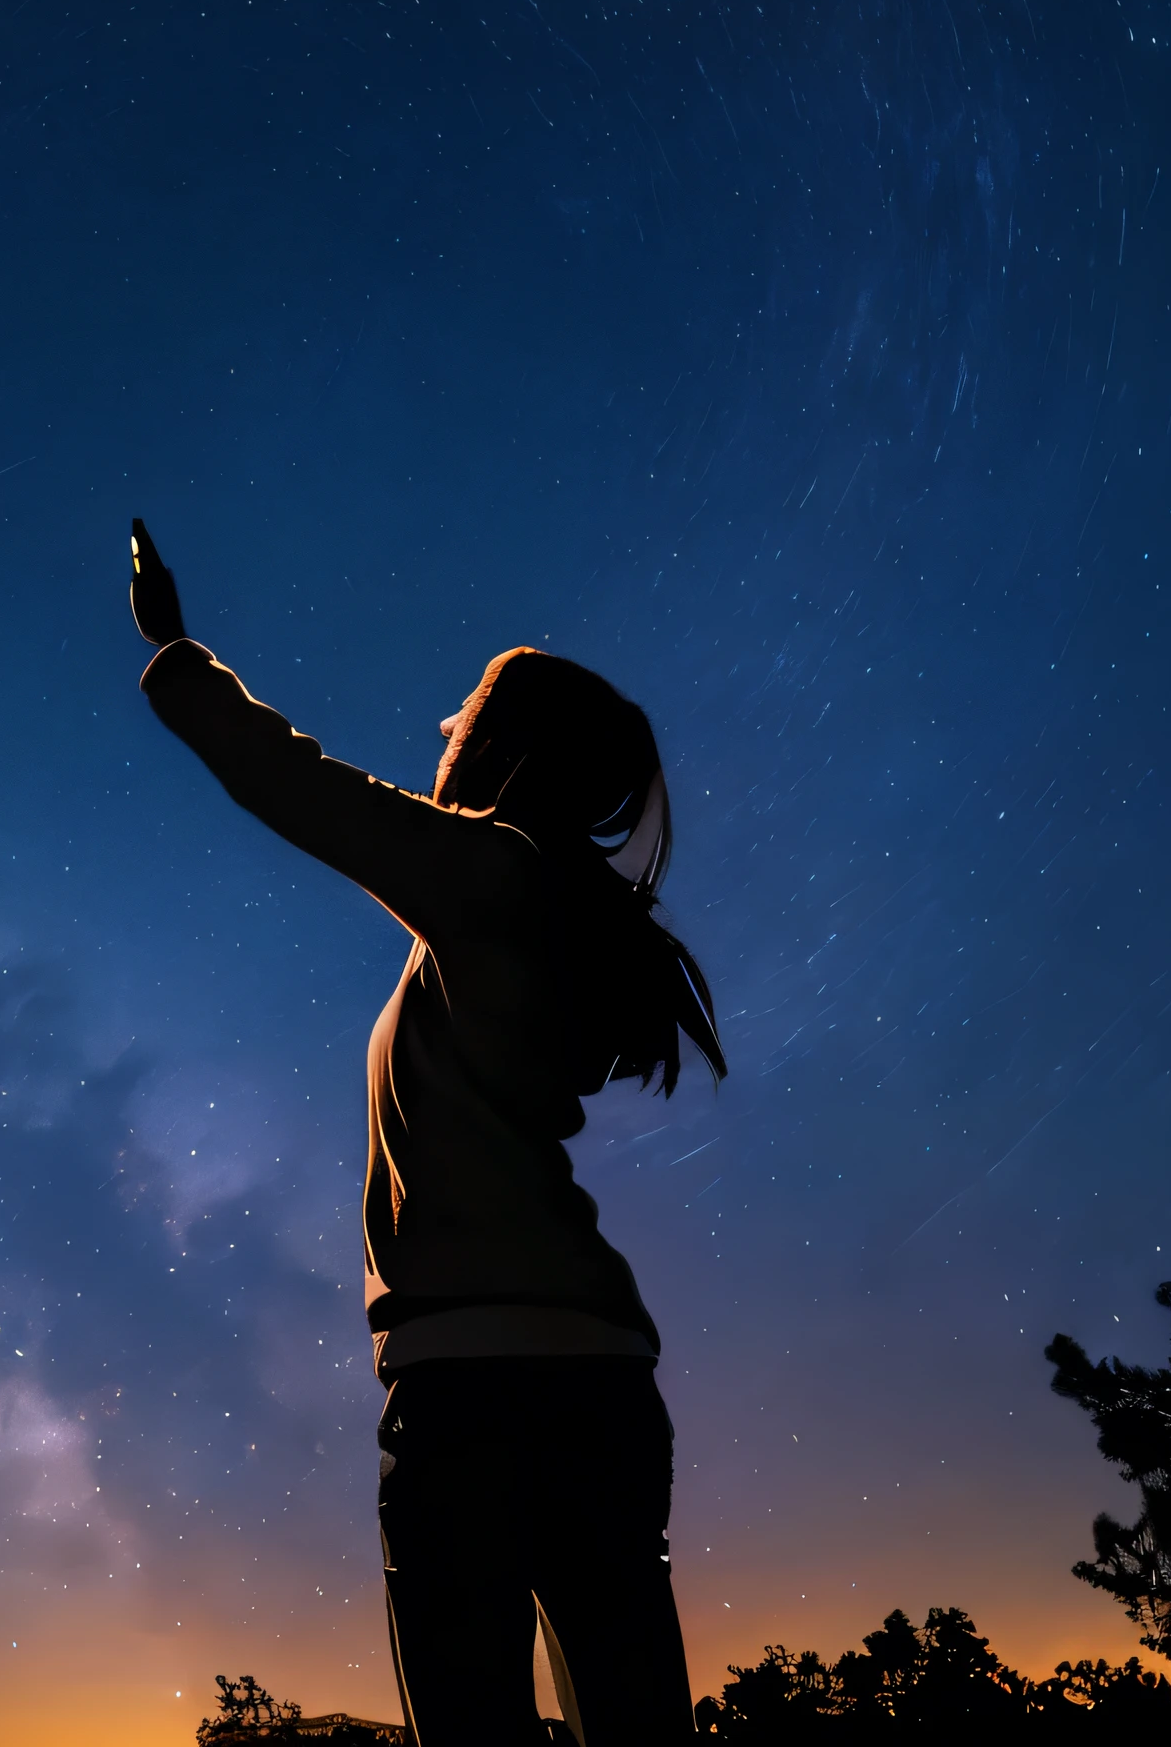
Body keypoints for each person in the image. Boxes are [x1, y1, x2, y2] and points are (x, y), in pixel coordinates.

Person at [127, 519, 725, 1746]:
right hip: (594, 1375)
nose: (442, 729)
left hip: (475, 1386)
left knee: (477, 1737)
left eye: (461, 715)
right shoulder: (546, 908)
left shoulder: (497, 877)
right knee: (638, 1726)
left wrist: (176, 651)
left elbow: (298, 784)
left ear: (504, 748)